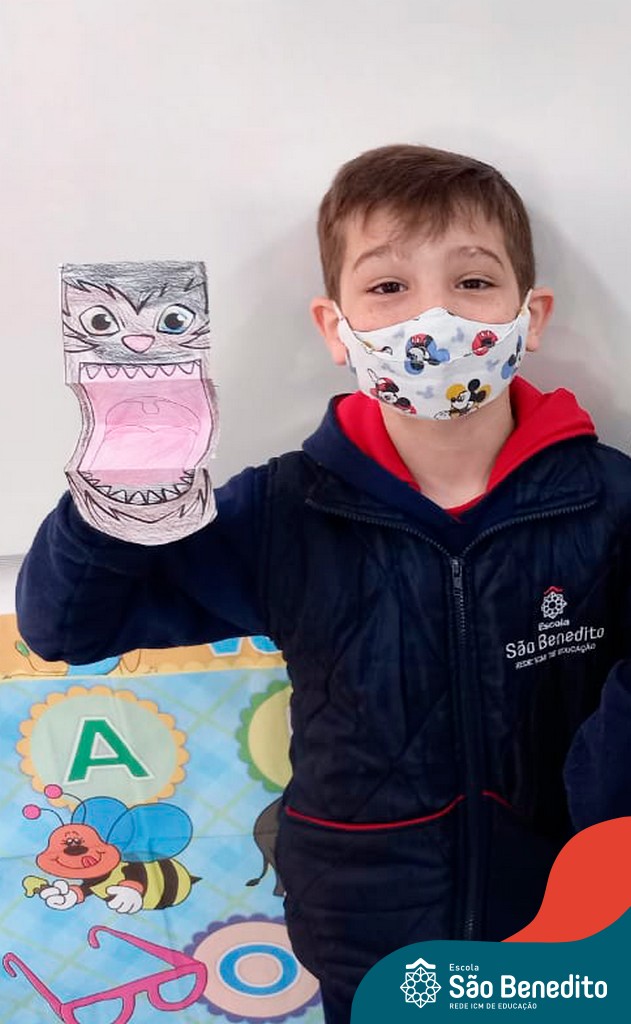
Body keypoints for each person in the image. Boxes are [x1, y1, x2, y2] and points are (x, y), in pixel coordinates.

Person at [16, 144, 631, 1024]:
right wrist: (121, 483)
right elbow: (65, 627)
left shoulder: (607, 499)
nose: (432, 316)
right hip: (368, 928)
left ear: (528, 316)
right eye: (387, 287)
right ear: (334, 327)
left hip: (569, 916)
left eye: (472, 282)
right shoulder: (283, 510)